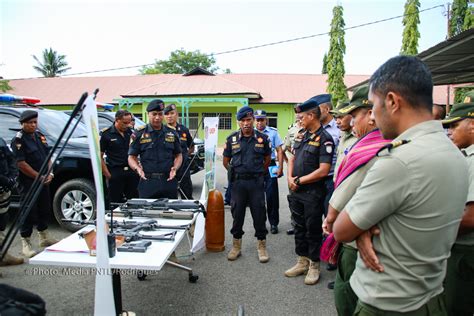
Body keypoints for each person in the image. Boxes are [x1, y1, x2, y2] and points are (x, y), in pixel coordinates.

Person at [333, 55, 468, 315]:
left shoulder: (399, 161)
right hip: (431, 298)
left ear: (393, 101)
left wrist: (361, 228)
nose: (372, 117)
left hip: (386, 304)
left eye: (373, 106)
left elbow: (340, 230)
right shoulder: (453, 153)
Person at [322, 85, 391, 315]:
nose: (351, 123)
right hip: (369, 233)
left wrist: (331, 220)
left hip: (356, 237)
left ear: (371, 115)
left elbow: (339, 203)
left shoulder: (373, 148)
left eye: (355, 117)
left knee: (347, 295)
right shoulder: (382, 142)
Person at [285, 96, 334, 285]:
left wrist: (299, 180)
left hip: (312, 192)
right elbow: (292, 158)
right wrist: (290, 179)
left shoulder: (325, 139)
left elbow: (323, 170)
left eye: (302, 118)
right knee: (298, 227)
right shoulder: (301, 135)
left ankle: (314, 265)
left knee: (312, 229)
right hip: (295, 191)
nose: (299, 121)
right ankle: (302, 261)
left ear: (312, 116)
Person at [223, 106, 271, 263]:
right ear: (238, 122)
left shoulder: (262, 139)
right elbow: (226, 161)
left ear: (253, 120)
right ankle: (236, 246)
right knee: (237, 214)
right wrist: (236, 173)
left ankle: (261, 246)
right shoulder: (232, 139)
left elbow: (267, 159)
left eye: (248, 120)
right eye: (242, 120)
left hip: (256, 182)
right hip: (238, 183)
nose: (246, 123)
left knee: (259, 214)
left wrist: (257, 172)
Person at [441, 91, 474, 316]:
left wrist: (435, 237)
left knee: (454, 307)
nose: (449, 132)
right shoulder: (464, 155)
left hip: (463, 249)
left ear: (472, 125)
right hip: (459, 246)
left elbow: (470, 217)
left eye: (454, 126)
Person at [11, 110, 58, 258]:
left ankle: (43, 237)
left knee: (44, 207)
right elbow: (21, 164)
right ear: (22, 123)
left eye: (34, 122)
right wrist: (39, 177)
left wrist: (50, 172)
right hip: (28, 181)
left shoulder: (39, 136)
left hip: (43, 179)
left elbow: (48, 156)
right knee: (29, 211)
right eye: (29, 123)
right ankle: (26, 242)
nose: (32, 125)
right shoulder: (18, 140)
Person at [128, 99, 182, 199]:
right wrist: (137, 168)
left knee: (170, 212)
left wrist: (175, 168)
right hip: (148, 181)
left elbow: (178, 155)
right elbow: (131, 157)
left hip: (168, 180)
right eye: (154, 114)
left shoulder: (172, 133)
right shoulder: (139, 134)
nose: (157, 117)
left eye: (160, 114)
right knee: (147, 213)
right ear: (148, 114)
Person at [100, 110, 139, 205]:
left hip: (131, 171)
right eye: (124, 123)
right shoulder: (106, 134)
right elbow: (99, 156)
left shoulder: (130, 132)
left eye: (129, 122)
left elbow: (135, 152)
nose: (127, 125)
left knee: (134, 201)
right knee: (114, 202)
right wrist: (107, 174)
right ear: (117, 120)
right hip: (115, 171)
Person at [254, 110, 283, 234]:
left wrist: (280, 167)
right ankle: (261, 224)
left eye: (262, 120)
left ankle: (273, 223)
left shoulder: (273, 132)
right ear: (254, 120)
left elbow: (279, 150)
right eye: (257, 120)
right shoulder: (250, 133)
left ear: (266, 120)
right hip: (255, 167)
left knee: (271, 196)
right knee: (257, 197)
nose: (259, 122)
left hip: (270, 165)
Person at [0, 137, 24, 269]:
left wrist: (12, 178)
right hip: (3, 183)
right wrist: (5, 180)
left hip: (3, 192)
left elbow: (12, 160)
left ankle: (3, 256)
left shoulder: (1, 142)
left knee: (2, 222)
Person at [164, 104, 194, 200]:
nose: (169, 116)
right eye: (167, 114)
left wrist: (184, 157)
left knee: (187, 195)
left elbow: (191, 146)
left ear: (177, 114)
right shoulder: (162, 131)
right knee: (170, 197)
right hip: (168, 168)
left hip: (183, 169)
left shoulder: (184, 129)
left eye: (172, 113)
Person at [318, 95, 340, 218]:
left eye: (318, 110)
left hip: (331, 178)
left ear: (326, 109)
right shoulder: (315, 129)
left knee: (329, 213)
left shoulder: (339, 129)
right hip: (316, 178)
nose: (315, 113)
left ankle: (328, 237)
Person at [282, 114, 302, 235]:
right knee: (293, 198)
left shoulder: (313, 129)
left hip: (307, 167)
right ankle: (295, 224)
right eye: (296, 113)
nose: (298, 116)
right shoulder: (291, 129)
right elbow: (285, 148)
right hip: (294, 167)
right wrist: (288, 162)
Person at [331, 101, 357, 181]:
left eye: (341, 117)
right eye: (336, 118)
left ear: (352, 116)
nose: (337, 121)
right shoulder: (342, 135)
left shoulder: (358, 138)